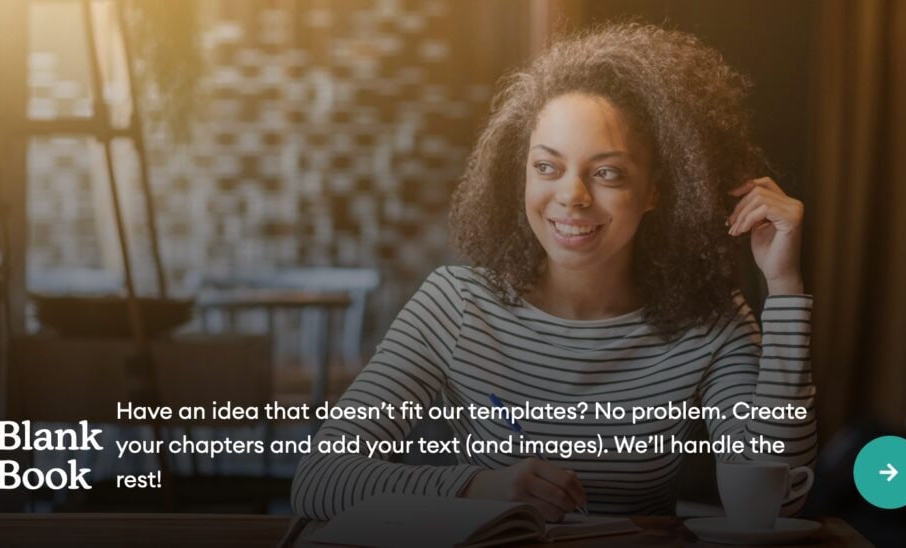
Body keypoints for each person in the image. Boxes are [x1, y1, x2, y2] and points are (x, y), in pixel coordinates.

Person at [291, 22, 816, 521]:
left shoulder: (710, 324)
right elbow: (320, 479)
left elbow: (773, 501)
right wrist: (477, 488)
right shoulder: (455, 304)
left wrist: (785, 289)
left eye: (606, 172)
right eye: (547, 167)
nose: (572, 196)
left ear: (656, 189)